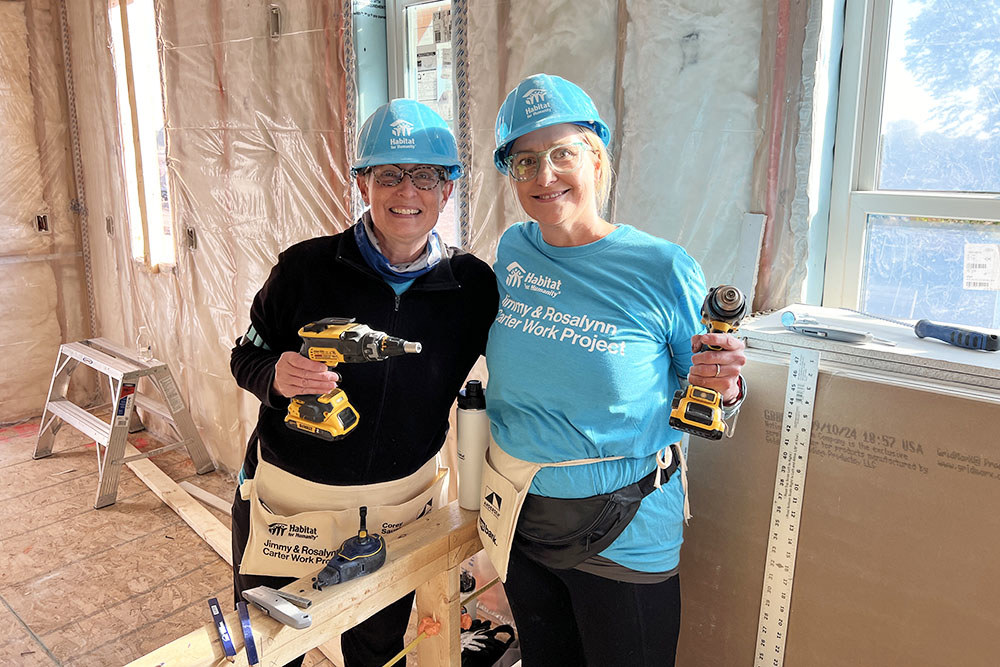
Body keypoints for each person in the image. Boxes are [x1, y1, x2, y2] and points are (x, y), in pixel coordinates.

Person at [479, 74, 747, 666]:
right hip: (521, 518)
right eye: (524, 162)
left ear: (597, 158)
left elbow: (705, 387)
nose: (544, 176)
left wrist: (726, 389)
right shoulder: (513, 251)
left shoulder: (661, 267)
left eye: (562, 153)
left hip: (625, 532)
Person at [230, 98, 498, 667]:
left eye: (425, 176)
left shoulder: (472, 288)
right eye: (389, 175)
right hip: (292, 506)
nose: (408, 193)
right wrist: (274, 376)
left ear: (447, 190)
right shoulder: (303, 269)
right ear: (361, 184)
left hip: (401, 506)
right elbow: (244, 355)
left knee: (376, 649)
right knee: (269, 651)